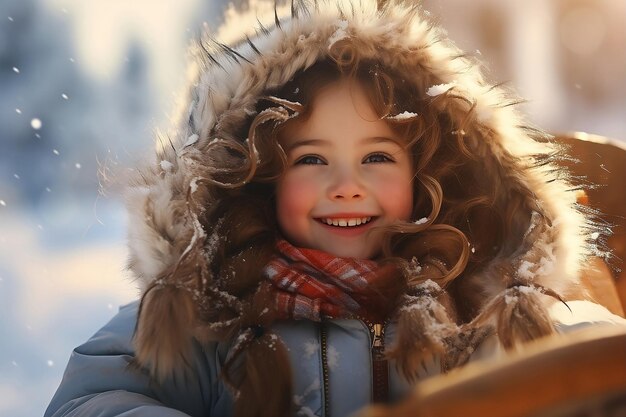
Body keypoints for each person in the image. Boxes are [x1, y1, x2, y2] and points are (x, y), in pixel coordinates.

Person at [45, 1, 626, 416]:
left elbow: (581, 355)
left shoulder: (476, 305)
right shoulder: (204, 317)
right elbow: (89, 399)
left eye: (376, 157)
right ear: (260, 179)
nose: (347, 187)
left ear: (422, 177)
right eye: (312, 160)